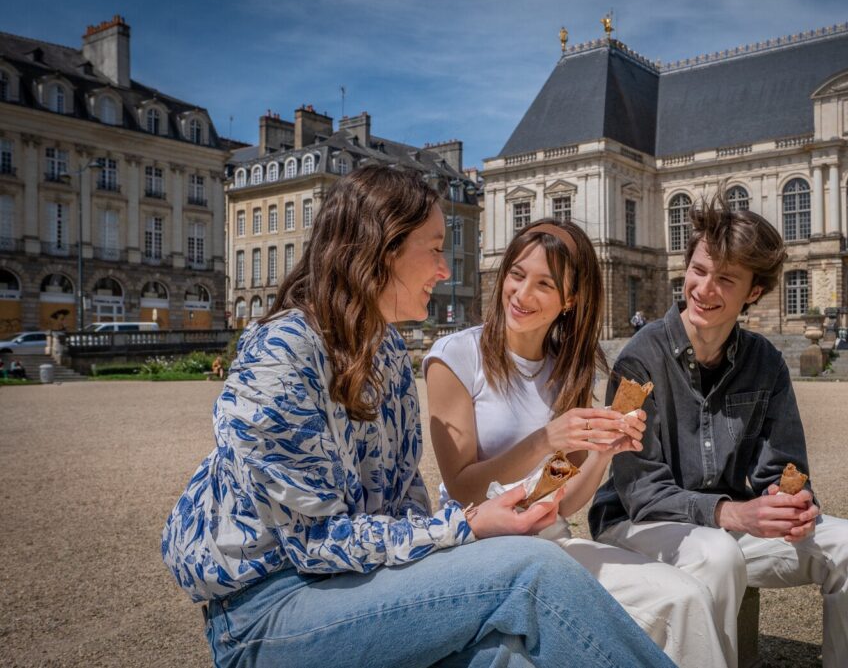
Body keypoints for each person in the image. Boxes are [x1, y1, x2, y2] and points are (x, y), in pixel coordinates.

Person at [161, 166, 673, 668]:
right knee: (533, 572)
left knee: (511, 657)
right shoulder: (281, 354)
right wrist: (469, 526)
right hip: (269, 609)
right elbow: (314, 544)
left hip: (356, 586)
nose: (446, 270)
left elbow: (404, 512)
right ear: (382, 251)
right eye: (434, 248)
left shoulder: (386, 353)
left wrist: (580, 464)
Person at [589, 194, 848, 668]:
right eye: (699, 270)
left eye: (725, 279)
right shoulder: (639, 360)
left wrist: (793, 503)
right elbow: (642, 492)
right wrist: (736, 514)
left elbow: (784, 468)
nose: (704, 289)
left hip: (727, 527)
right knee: (716, 555)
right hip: (637, 526)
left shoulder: (765, 362)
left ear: (753, 292)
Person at [425, 219, 727, 667]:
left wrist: (604, 452)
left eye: (544, 284)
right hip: (480, 549)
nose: (522, 294)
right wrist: (545, 438)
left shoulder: (567, 370)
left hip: (550, 541)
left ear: (569, 300)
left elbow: (563, 503)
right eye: (516, 274)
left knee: (686, 597)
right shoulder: (454, 357)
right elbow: (464, 487)